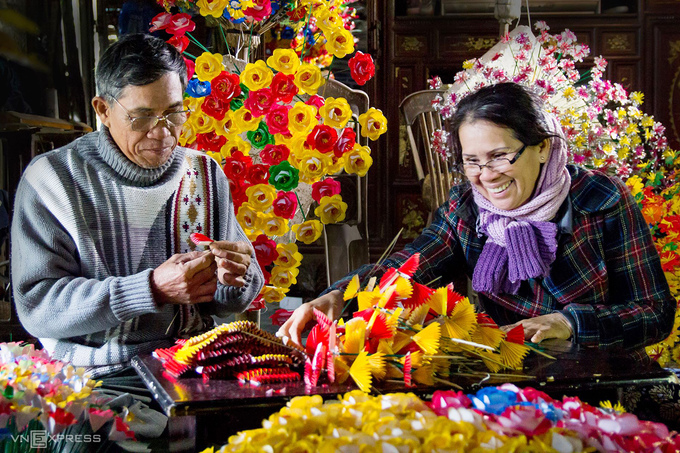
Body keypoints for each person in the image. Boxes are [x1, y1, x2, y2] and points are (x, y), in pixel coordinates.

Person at [278, 82, 676, 350]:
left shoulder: (601, 200)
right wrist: (337, 296)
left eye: (501, 156)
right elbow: (405, 268)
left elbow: (654, 313)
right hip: (506, 377)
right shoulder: (468, 208)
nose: (487, 176)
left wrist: (571, 323)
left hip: (597, 376)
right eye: (472, 162)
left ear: (542, 147)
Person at [11, 33, 264, 378]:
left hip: (192, 367)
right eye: (142, 116)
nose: (162, 133)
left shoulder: (204, 173)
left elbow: (230, 300)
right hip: (93, 375)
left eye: (174, 114)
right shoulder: (52, 180)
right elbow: (37, 306)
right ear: (102, 109)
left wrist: (236, 277)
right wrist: (151, 289)